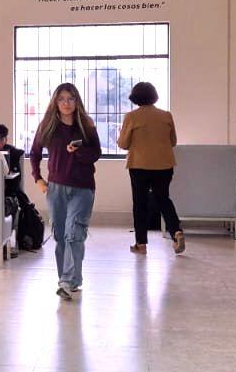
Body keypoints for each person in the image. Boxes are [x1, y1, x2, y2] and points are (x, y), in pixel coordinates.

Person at [30, 83, 102, 300]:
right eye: (62, 99)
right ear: (55, 102)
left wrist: (78, 152)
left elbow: (95, 154)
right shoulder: (47, 126)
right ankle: (70, 280)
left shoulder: (86, 126)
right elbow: (34, 154)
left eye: (70, 99)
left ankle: (66, 281)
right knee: (61, 236)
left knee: (74, 234)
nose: (66, 103)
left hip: (83, 188)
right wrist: (39, 179)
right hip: (56, 189)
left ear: (77, 101)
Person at [117, 82, 184, 256]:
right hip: (164, 165)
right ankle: (176, 232)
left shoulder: (131, 117)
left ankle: (141, 244)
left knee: (140, 203)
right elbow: (173, 141)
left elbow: (123, 144)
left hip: (139, 165)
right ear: (154, 96)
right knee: (163, 199)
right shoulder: (166, 115)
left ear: (135, 97)